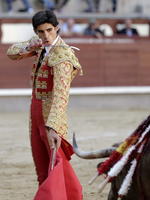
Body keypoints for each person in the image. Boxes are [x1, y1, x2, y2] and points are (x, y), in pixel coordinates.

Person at [7, 10, 83, 200]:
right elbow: (11, 53)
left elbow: (60, 95)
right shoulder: (40, 46)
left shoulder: (63, 56)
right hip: (35, 110)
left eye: (50, 30)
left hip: (50, 115)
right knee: (41, 165)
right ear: (36, 31)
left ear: (57, 28)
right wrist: (30, 44)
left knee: (56, 162)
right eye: (41, 32)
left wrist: (54, 127)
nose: (46, 36)